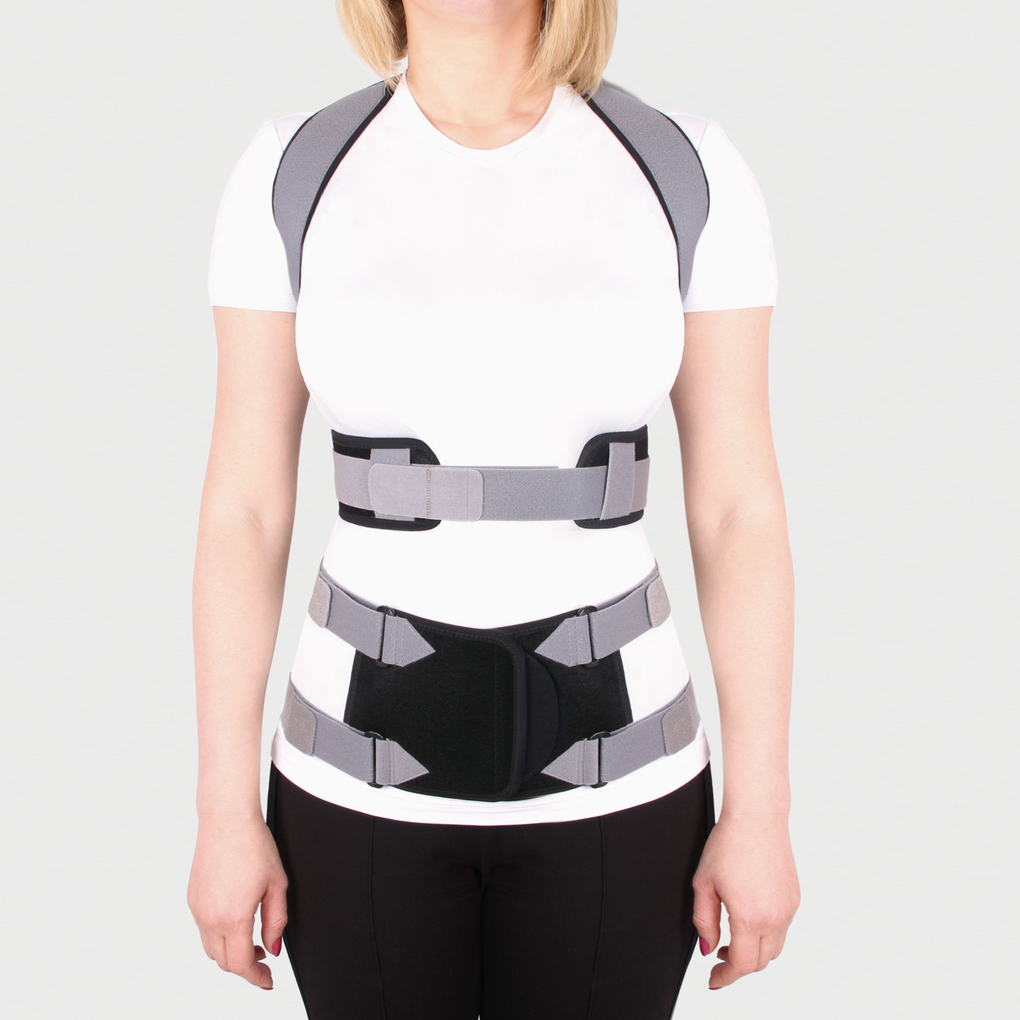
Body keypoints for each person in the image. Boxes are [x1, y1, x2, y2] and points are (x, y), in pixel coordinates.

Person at [187, 1, 800, 1017]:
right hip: (352, 795)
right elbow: (241, 512)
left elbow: (741, 511)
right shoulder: (291, 170)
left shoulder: (685, 169)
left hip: (623, 797)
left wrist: (762, 812)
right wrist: (222, 813)